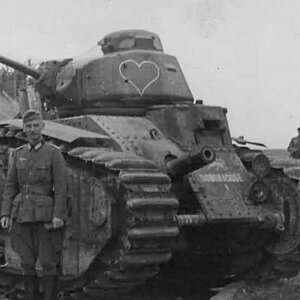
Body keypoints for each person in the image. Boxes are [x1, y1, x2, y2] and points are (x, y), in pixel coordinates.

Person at [0, 109, 67, 300]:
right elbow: (11, 185)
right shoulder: (19, 153)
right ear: (24, 128)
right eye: (28, 126)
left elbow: (61, 188)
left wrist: (58, 215)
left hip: (45, 216)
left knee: (47, 262)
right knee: (27, 262)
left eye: (36, 125)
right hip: (22, 215)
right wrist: (5, 213)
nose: (32, 130)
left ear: (43, 127)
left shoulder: (53, 153)